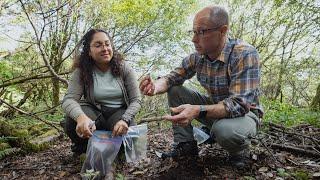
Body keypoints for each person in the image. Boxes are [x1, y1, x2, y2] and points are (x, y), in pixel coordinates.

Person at [139, 5, 263, 168]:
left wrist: (198, 109)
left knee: (224, 131)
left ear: (223, 31)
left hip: (245, 115)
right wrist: (155, 87)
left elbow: (238, 105)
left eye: (201, 32)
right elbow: (172, 78)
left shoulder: (244, 54)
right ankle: (186, 145)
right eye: (193, 32)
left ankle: (239, 151)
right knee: (176, 90)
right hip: (214, 108)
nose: (194, 39)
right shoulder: (197, 57)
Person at [62, 29, 141, 155]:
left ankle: (112, 148)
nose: (105, 48)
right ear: (89, 51)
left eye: (107, 44)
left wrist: (125, 120)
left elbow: (136, 100)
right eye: (98, 45)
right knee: (71, 120)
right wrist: (81, 117)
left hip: (118, 114)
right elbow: (69, 100)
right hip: (94, 113)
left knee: (132, 137)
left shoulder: (124, 68)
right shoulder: (82, 71)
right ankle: (83, 147)